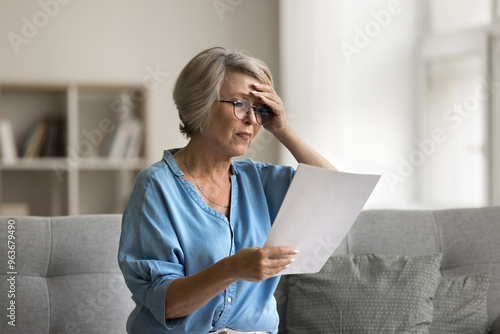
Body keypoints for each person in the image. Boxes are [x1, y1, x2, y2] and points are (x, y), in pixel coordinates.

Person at [118, 46, 336, 334]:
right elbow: (166, 303)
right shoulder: (157, 186)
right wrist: (233, 268)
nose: (251, 119)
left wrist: (283, 129)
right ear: (201, 105)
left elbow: (334, 191)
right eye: (240, 104)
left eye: (260, 109)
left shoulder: (260, 180)